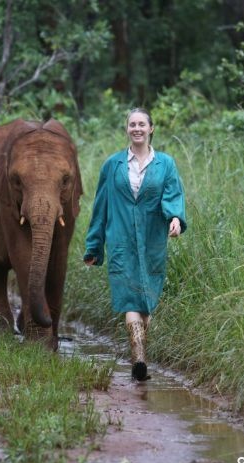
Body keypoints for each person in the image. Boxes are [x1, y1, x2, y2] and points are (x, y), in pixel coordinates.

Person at [83, 107, 187, 381]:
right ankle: (139, 358)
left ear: (151, 129)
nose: (137, 128)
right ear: (127, 129)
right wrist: (94, 246)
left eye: (142, 124)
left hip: (153, 242)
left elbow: (172, 195)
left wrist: (175, 217)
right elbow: (100, 207)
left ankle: (139, 352)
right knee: (129, 299)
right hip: (120, 241)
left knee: (146, 304)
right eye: (132, 124)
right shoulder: (112, 165)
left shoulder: (166, 164)